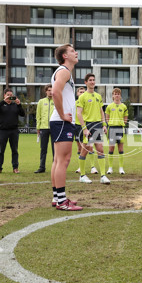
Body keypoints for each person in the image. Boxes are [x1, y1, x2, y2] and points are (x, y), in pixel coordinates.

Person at [50, 43, 82, 211]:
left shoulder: (64, 72)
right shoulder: (64, 71)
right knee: (63, 160)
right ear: (65, 56)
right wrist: (62, 114)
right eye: (72, 51)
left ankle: (58, 198)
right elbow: (55, 92)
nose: (75, 53)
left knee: (58, 160)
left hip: (59, 121)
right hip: (62, 121)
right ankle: (62, 202)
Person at [76, 73, 110, 184]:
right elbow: (79, 114)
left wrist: (104, 124)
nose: (92, 82)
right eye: (90, 80)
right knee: (85, 150)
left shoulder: (98, 96)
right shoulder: (82, 97)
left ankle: (103, 176)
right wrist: (84, 128)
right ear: (85, 82)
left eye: (93, 80)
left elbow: (101, 111)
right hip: (88, 125)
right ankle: (82, 175)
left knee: (100, 149)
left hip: (98, 125)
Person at [0, 88, 25, 174]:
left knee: (14, 150)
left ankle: (15, 168)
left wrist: (19, 104)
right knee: (1, 150)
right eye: (8, 95)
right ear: (4, 95)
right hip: (3, 131)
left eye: (11, 95)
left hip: (14, 131)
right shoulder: (1, 105)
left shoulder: (15, 105)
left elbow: (22, 114)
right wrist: (3, 101)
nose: (10, 97)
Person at [105, 88, 128, 175]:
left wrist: (121, 123)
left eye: (118, 94)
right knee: (111, 148)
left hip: (120, 129)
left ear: (120, 96)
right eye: (115, 94)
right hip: (111, 129)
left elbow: (125, 119)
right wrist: (112, 123)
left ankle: (121, 168)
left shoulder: (124, 107)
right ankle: (110, 168)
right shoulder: (109, 106)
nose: (117, 95)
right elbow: (107, 118)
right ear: (113, 96)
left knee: (121, 149)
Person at [34, 84, 54, 173]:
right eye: (49, 90)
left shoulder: (57, 100)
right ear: (45, 91)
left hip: (54, 127)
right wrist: (38, 128)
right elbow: (38, 116)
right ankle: (42, 167)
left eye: (52, 90)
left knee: (55, 149)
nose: (50, 92)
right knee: (43, 149)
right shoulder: (41, 102)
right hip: (44, 128)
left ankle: (55, 167)